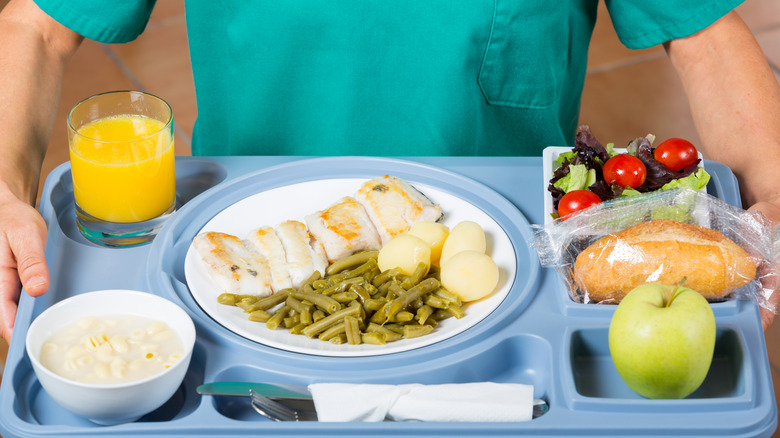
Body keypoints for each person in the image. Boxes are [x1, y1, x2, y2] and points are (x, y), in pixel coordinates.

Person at [1, 0, 779, 343]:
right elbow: (34, 32)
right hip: (243, 276)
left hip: (517, 281)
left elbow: (707, 35)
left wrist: (774, 197)